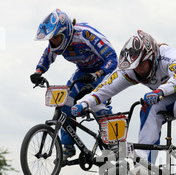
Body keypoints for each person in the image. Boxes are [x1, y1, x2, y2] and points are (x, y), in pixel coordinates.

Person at [71, 30, 176, 175]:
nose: (138, 70)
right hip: (175, 93)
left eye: (140, 64)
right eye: (134, 66)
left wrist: (160, 91)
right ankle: (145, 164)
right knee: (148, 106)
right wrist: (84, 103)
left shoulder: (169, 57)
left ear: (152, 57)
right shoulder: (132, 69)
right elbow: (105, 88)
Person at [30, 9, 118, 160]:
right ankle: (68, 146)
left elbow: (112, 57)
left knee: (96, 104)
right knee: (64, 103)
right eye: (50, 39)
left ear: (66, 32)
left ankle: (114, 142)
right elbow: (47, 56)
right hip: (83, 72)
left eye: (56, 38)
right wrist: (38, 72)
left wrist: (98, 74)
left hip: (104, 70)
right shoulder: (55, 43)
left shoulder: (85, 35)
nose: (53, 42)